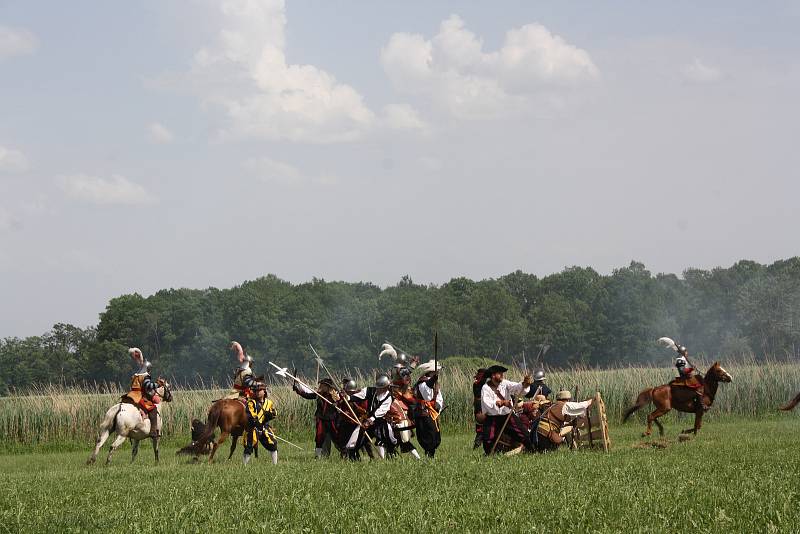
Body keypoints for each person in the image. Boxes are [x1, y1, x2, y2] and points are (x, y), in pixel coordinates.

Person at [480, 364, 532, 455]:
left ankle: (532, 450)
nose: (502, 375)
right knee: (488, 438)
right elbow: (486, 403)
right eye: (499, 373)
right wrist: (501, 403)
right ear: (493, 375)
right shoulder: (486, 388)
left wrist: (524, 384)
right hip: (492, 418)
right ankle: (489, 454)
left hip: (507, 416)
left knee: (523, 433)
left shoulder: (505, 383)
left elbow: (517, 388)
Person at [292, 377, 339, 459]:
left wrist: (336, 404)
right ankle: (318, 456)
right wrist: (297, 390)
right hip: (321, 419)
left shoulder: (335, 396)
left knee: (337, 437)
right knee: (319, 437)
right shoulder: (319, 395)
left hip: (332, 419)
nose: (321, 386)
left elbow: (342, 403)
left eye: (323, 385)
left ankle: (345, 454)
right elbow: (307, 395)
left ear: (328, 387)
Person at [122, 347, 160, 438]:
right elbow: (148, 386)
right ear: (148, 369)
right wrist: (157, 385)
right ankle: (153, 431)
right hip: (137, 396)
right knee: (153, 409)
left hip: (129, 394)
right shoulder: (145, 376)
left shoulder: (136, 374)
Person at [413, 362, 444, 458]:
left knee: (435, 435)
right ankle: (428, 454)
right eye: (436, 371)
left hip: (432, 412)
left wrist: (438, 407)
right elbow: (427, 396)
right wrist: (431, 381)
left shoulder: (434, 383)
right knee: (427, 435)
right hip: (423, 413)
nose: (437, 373)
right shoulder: (422, 382)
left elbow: (438, 396)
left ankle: (431, 454)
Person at [244, 383, 277, 465]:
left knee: (273, 443)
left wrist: (270, 414)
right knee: (249, 447)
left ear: (264, 391)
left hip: (265, 427)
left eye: (259, 390)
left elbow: (274, 413)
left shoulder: (269, 402)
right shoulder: (252, 403)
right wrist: (257, 424)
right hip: (253, 427)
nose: (258, 392)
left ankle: (275, 465)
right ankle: (244, 466)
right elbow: (250, 414)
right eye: (256, 391)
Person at [673, 345, 707, 411]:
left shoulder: (683, 358)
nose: (687, 352)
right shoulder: (679, 359)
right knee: (698, 387)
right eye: (686, 351)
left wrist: (692, 368)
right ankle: (702, 405)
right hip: (684, 378)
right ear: (683, 352)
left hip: (688, 376)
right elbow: (682, 371)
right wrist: (691, 369)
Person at [472, 368, 487, 449]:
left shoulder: (477, 383)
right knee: (481, 425)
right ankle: (478, 443)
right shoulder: (483, 384)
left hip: (478, 404)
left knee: (480, 425)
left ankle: (478, 443)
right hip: (482, 404)